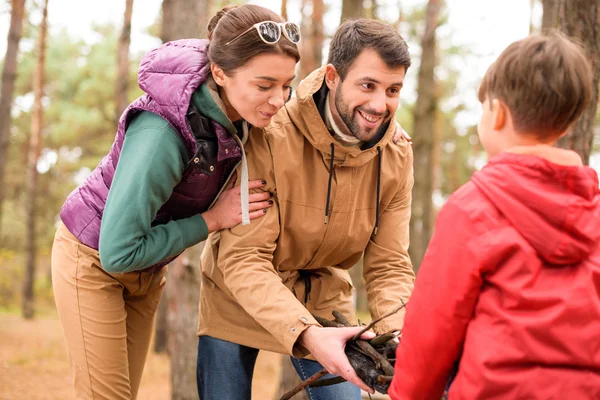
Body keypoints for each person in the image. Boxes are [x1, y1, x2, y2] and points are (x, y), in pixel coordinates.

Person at [50, 4, 301, 399]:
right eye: (265, 85)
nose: (279, 100)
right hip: (94, 259)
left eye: (287, 85)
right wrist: (212, 220)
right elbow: (117, 252)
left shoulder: (242, 112)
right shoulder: (162, 134)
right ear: (219, 72)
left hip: (146, 267)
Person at [196, 19, 415, 400]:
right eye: (368, 85)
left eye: (392, 89)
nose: (380, 105)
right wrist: (308, 335)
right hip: (238, 296)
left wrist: (402, 337)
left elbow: (389, 265)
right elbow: (244, 258)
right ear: (332, 77)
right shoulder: (269, 132)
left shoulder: (396, 154)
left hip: (325, 302)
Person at [389, 32, 600, 400]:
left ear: (497, 113)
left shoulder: (471, 208)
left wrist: (407, 394)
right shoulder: (594, 211)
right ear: (567, 125)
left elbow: (433, 328)